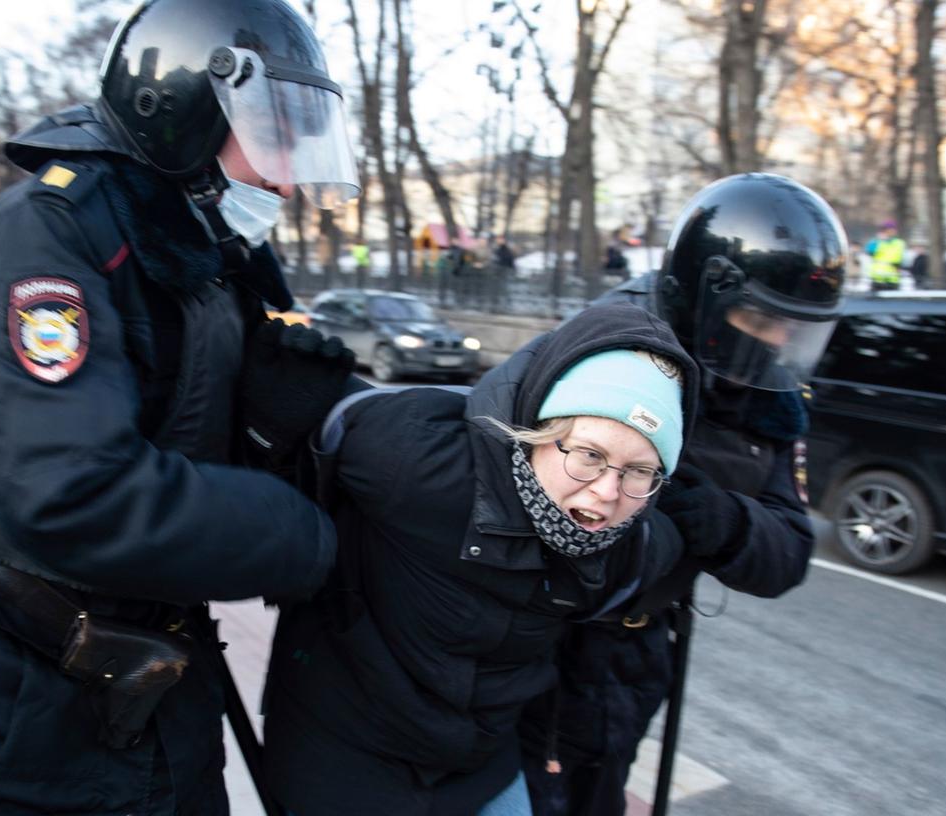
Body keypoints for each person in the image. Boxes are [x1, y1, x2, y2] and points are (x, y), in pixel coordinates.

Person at [0, 1, 362, 814]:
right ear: (187, 110)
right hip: (0, 719)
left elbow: (196, 441)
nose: (288, 178)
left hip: (154, 705)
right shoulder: (48, 235)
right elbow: (73, 492)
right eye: (272, 137)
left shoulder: (209, 252)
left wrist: (270, 430)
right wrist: (295, 532)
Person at [263, 301, 696, 815]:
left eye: (639, 470)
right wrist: (270, 429)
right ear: (542, 429)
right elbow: (309, 453)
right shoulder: (416, 462)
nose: (607, 491)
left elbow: (686, 546)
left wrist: (732, 523)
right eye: (589, 455)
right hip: (346, 752)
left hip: (480, 765)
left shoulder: (630, 546)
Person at [522, 173, 847, 816]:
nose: (777, 341)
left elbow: (790, 548)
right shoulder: (607, 351)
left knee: (601, 793)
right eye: (760, 319)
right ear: (704, 295)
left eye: (791, 328)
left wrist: (728, 524)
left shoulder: (770, 401)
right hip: (549, 648)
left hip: (641, 652)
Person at [865, 219, 904, 291]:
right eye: (888, 230)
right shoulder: (877, 241)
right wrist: (878, 240)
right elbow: (869, 251)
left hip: (893, 278)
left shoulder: (899, 243)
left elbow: (901, 259)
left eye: (892, 229)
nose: (891, 232)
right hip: (878, 278)